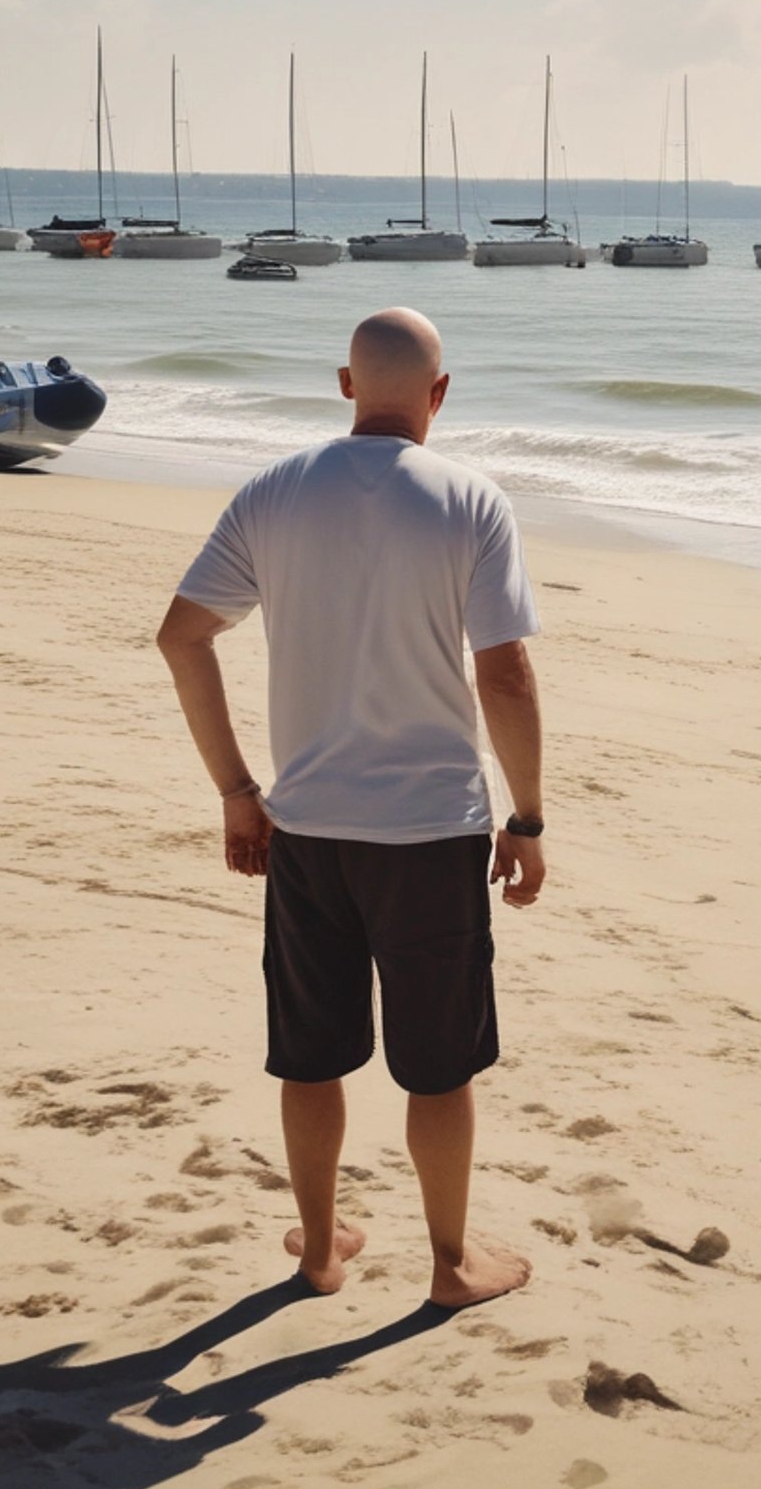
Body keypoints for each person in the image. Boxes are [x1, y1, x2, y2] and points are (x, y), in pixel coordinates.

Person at [156, 307, 546, 1309]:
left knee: (313, 1055)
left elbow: (182, 637)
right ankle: (451, 1265)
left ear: (345, 385)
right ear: (440, 395)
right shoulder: (471, 501)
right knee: (439, 1069)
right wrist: (529, 817)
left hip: (310, 832)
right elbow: (503, 674)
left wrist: (239, 795)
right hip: (431, 834)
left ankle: (322, 1249)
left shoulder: (275, 493)